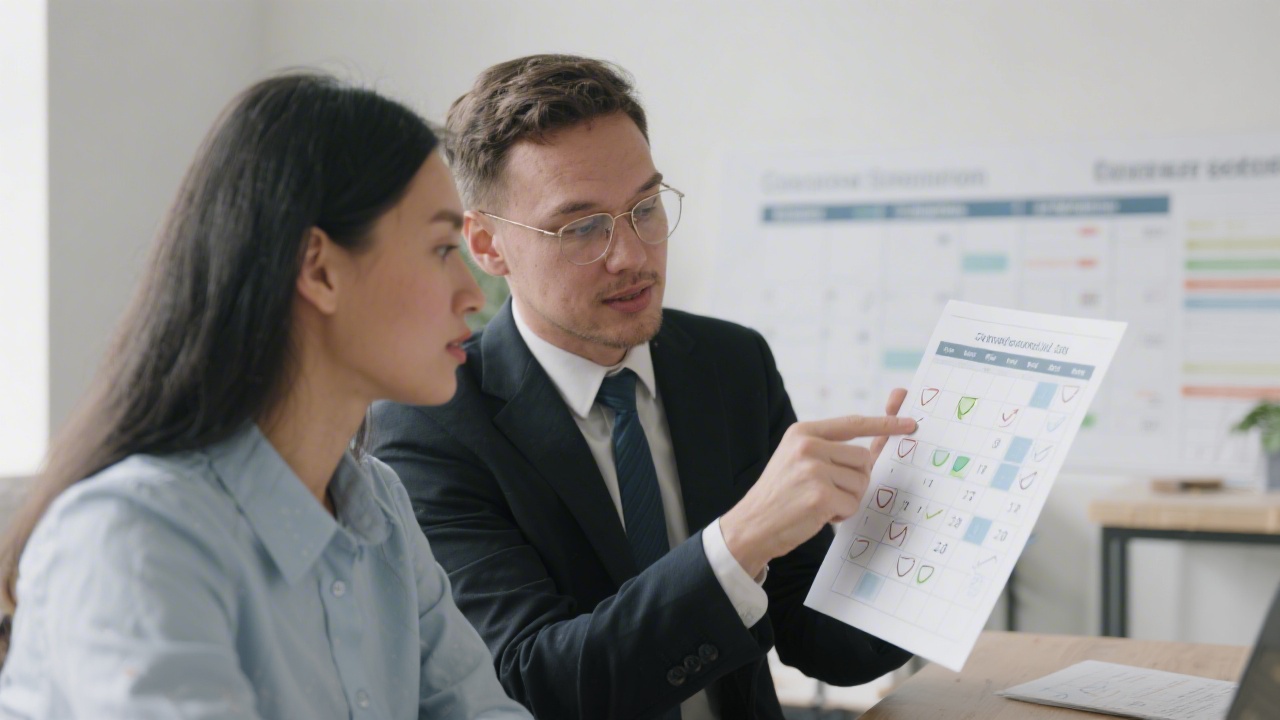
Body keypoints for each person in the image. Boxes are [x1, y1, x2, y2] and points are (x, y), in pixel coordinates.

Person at [369, 55, 916, 720]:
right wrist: (738, 543)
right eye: (583, 227)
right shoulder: (431, 420)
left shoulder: (731, 363)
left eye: (646, 208)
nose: (631, 255)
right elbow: (530, 683)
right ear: (487, 246)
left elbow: (827, 647)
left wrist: (909, 531)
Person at [0, 73, 531, 720]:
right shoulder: (136, 537)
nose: (474, 293)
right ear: (319, 269)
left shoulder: (380, 510)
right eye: (443, 248)